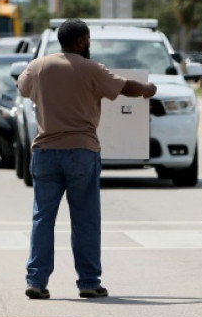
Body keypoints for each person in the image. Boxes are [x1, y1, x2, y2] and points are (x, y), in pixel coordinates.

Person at [17, 18, 157, 300]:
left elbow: (23, 88)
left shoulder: (38, 66)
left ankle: (36, 280)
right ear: (81, 41)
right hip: (82, 152)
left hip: (45, 152)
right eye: (88, 39)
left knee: (42, 219)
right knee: (85, 220)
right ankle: (89, 283)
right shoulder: (91, 69)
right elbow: (124, 86)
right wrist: (146, 89)